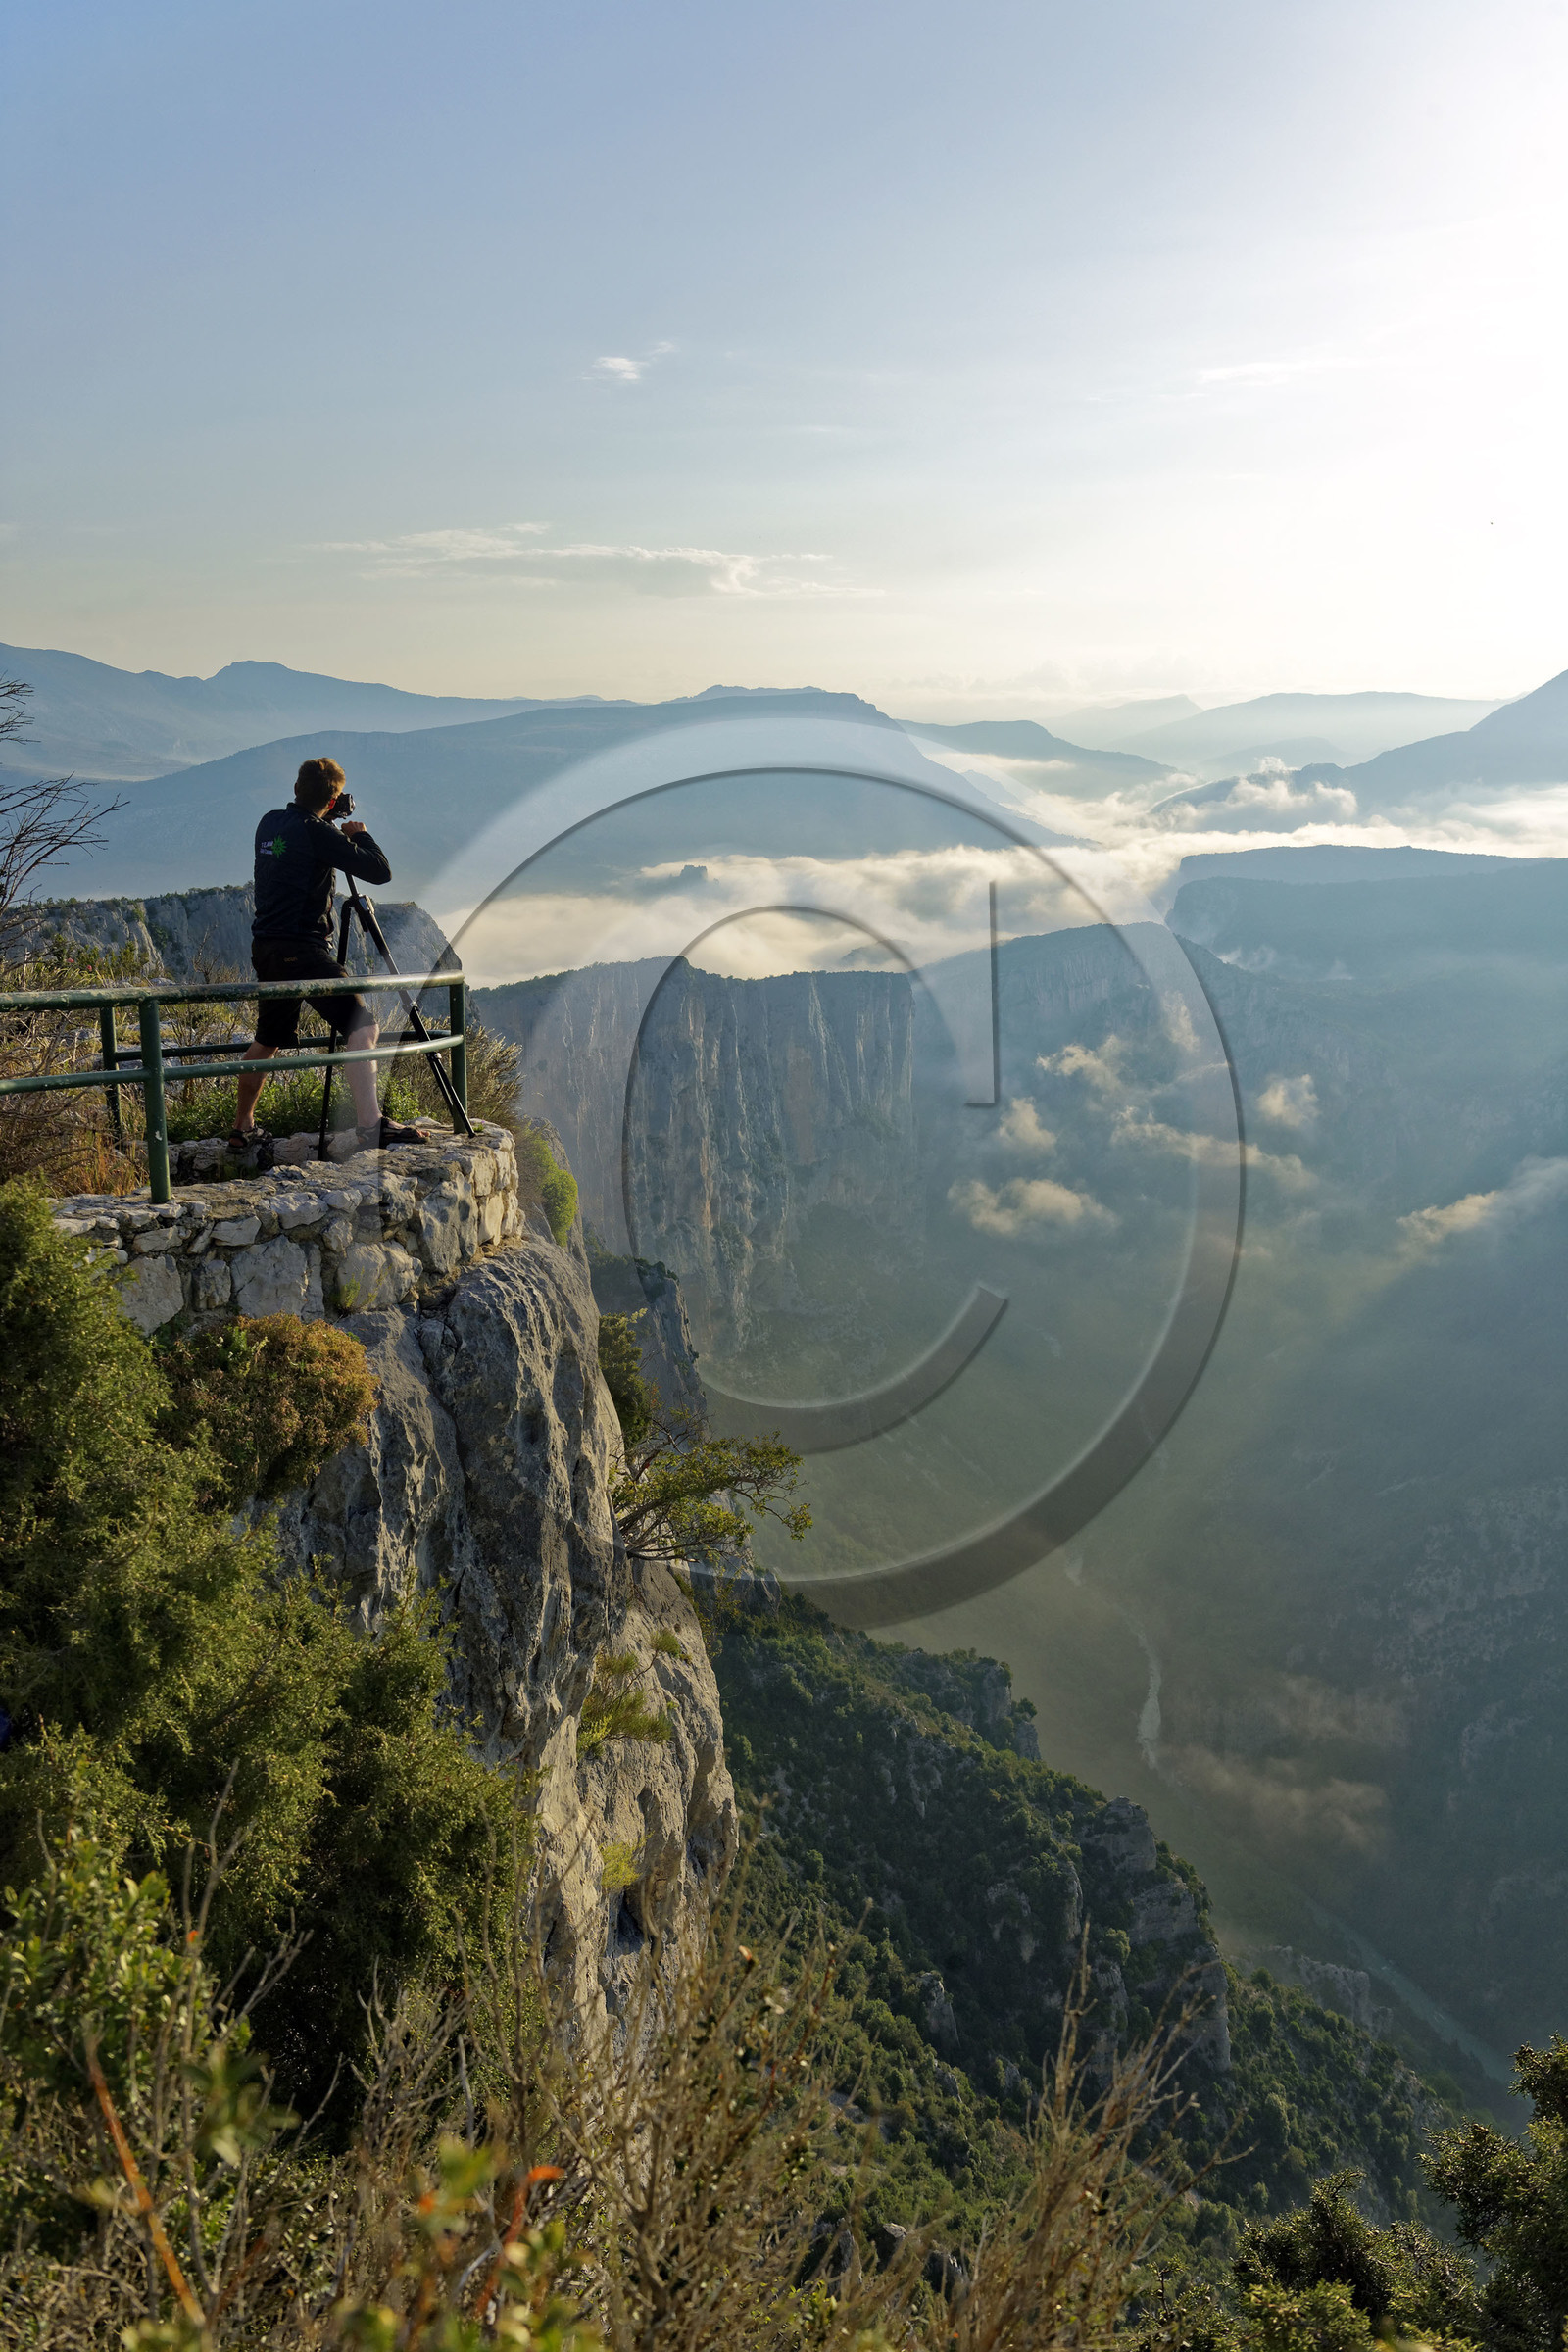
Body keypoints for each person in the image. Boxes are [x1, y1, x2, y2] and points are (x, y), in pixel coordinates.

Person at [232, 756, 428, 1152]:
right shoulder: (318, 832)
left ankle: (242, 1128)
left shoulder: (268, 823)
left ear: (295, 789)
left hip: (266, 946)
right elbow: (379, 871)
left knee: (268, 1038)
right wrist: (359, 835)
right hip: (303, 948)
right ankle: (371, 1125)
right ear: (334, 797)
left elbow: (300, 847)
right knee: (363, 1028)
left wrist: (325, 822)